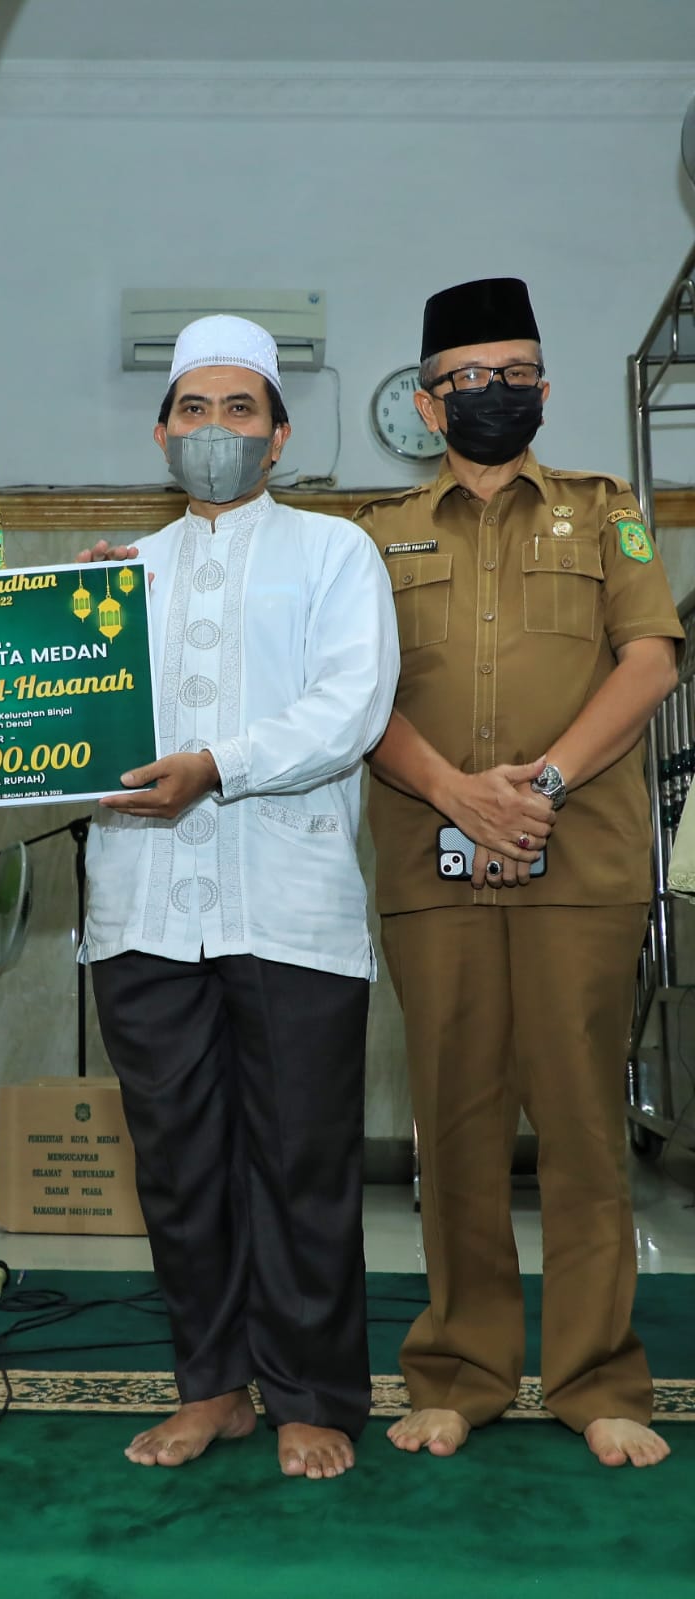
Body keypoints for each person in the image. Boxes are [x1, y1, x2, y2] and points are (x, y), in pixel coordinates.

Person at [359, 277, 680, 1470]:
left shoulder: (608, 516)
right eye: (470, 380)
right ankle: (463, 1371)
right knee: (453, 1124)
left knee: (587, 1129)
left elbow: (648, 662)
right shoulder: (371, 536)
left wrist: (531, 792)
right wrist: (456, 795)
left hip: (574, 863)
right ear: (428, 404)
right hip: (428, 867)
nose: (496, 394)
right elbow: (353, 701)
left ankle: (599, 1381)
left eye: (517, 373)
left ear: (545, 387)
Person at [80, 315, 398, 1481]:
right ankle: (211, 1386)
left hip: (291, 905)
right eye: (194, 410)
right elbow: (52, 721)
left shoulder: (333, 556)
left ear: (278, 439)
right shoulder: (111, 580)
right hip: (143, 910)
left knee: (301, 1160)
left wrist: (216, 766)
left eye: (240, 411)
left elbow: (348, 710)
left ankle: (312, 1392)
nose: (216, 431)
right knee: (178, 1162)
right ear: (160, 430)